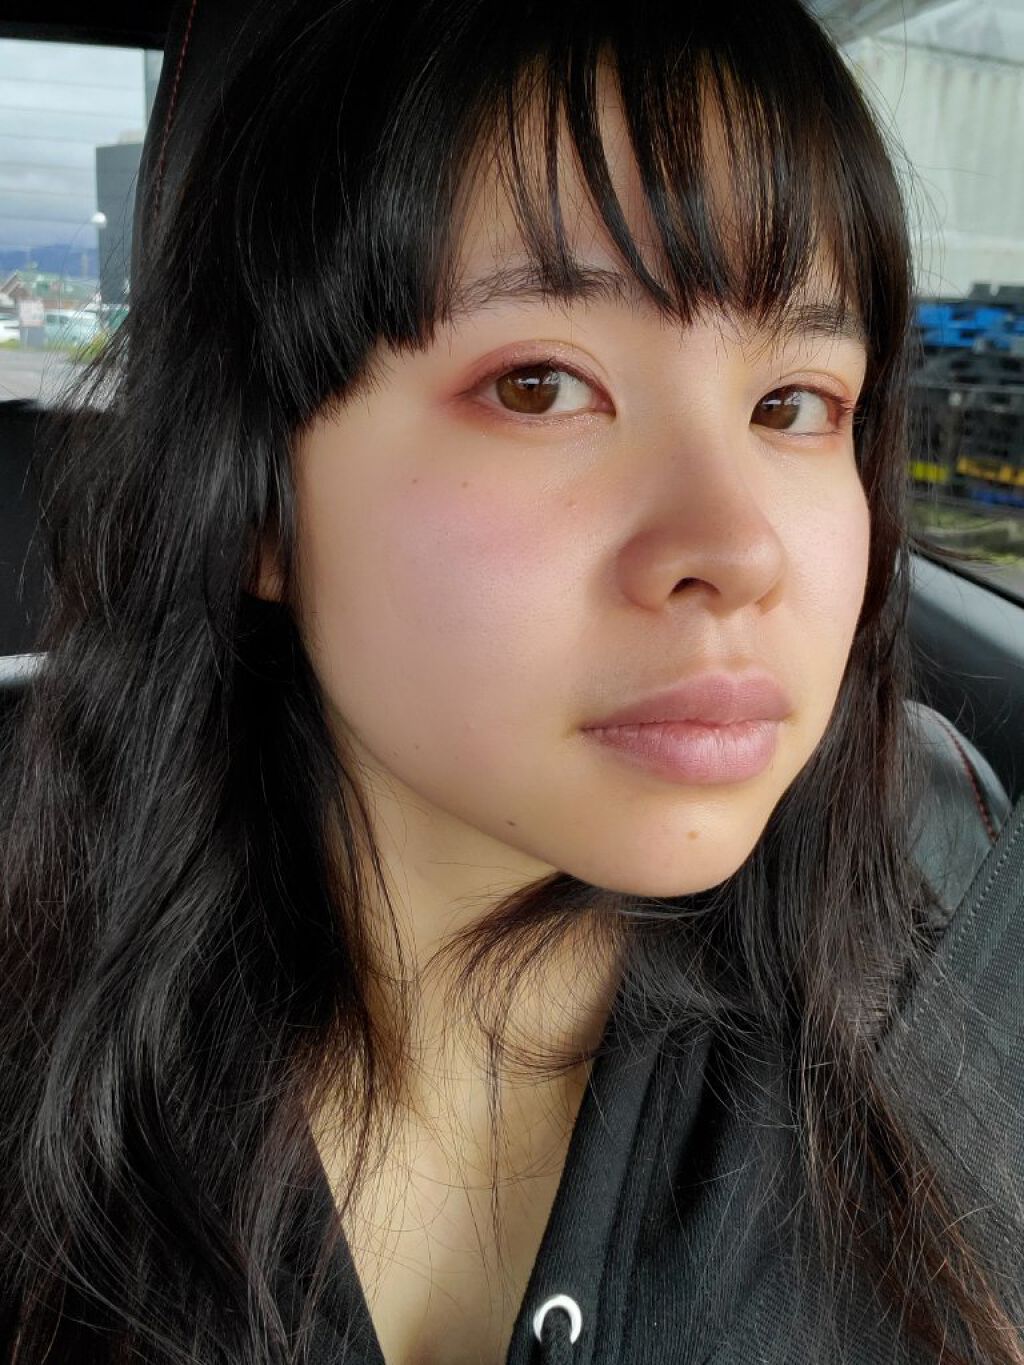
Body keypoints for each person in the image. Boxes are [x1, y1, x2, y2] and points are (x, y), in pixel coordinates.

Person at [1, 0, 1022, 1362]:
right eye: (539, 385)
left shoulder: (950, 971)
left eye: (793, 405)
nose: (737, 550)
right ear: (255, 501)